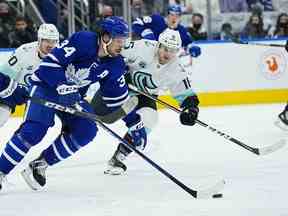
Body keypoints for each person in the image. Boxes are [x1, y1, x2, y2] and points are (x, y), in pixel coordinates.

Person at [0, 16, 147, 191]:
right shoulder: (84, 40)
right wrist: (62, 84)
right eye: (119, 40)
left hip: (72, 97)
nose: (122, 45)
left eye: (124, 41)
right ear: (106, 37)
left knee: (87, 130)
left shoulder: (115, 64)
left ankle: (40, 164)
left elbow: (117, 99)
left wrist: (134, 123)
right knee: (34, 132)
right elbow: (49, 64)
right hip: (46, 87)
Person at [93, 29, 200, 175]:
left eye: (173, 51)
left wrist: (191, 109)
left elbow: (185, 94)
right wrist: (118, 70)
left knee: (150, 119)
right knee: (94, 114)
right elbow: (114, 53)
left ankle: (118, 157)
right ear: (158, 45)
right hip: (121, 87)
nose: (168, 54)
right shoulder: (142, 47)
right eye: (165, 49)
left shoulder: (176, 68)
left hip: (145, 97)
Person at [0, 23, 60, 128]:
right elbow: (4, 74)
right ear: (39, 40)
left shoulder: (61, 56)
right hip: (16, 92)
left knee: (33, 129)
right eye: (47, 40)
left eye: (54, 41)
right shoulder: (24, 52)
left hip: (40, 96)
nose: (50, 45)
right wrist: (13, 90)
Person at [132, 4, 201, 58]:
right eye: (172, 14)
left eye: (177, 15)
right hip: (147, 54)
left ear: (180, 17)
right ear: (167, 15)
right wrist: (146, 33)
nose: (174, 18)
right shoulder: (157, 19)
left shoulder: (181, 30)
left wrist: (192, 48)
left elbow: (188, 43)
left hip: (166, 61)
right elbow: (137, 23)